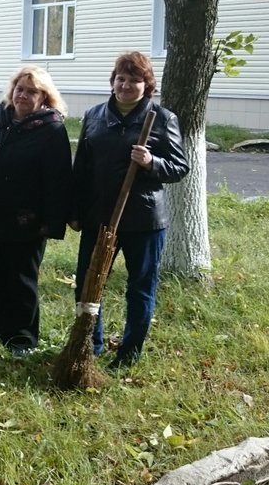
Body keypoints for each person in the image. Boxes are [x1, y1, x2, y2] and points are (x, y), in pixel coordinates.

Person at [70, 51, 190, 369]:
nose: (125, 85)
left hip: (144, 220)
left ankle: (129, 353)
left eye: (134, 80)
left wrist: (152, 163)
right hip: (100, 217)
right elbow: (81, 166)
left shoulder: (162, 119)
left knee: (140, 287)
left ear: (146, 86)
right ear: (112, 82)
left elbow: (179, 167)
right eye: (120, 79)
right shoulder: (95, 115)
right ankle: (90, 344)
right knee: (89, 281)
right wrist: (76, 210)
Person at [0, 66, 72, 357]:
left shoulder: (51, 129)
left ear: (44, 97)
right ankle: (2, 326)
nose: (23, 95)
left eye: (31, 91)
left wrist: (52, 222)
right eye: (20, 88)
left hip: (26, 222)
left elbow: (59, 180)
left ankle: (22, 338)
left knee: (20, 279)